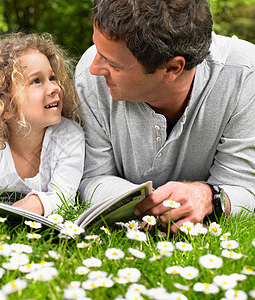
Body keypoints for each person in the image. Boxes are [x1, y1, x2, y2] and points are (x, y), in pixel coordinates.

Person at [76, 0, 255, 233]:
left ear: (172, 69)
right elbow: (92, 178)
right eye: (98, 51)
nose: (95, 68)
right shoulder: (90, 80)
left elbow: (245, 188)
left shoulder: (244, 77)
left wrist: (209, 197)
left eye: (112, 64)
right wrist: (155, 206)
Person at [0, 33, 85, 217]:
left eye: (52, 78)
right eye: (36, 81)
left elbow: (63, 196)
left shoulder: (69, 136)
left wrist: (36, 204)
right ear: (3, 105)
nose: (54, 88)